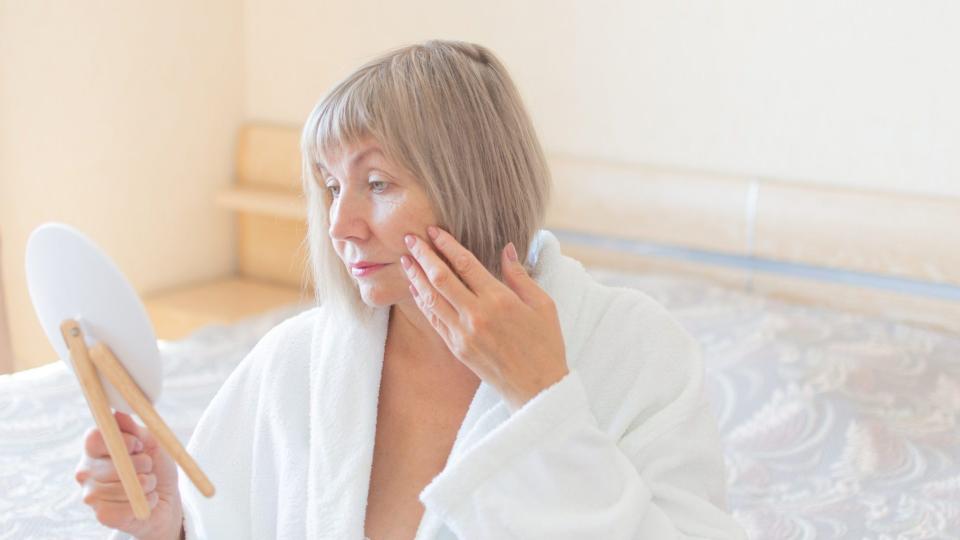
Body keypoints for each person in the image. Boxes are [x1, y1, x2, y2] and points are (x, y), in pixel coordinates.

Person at [75, 40, 746, 539]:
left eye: (378, 184)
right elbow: (229, 520)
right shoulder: (297, 362)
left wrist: (543, 398)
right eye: (332, 187)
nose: (340, 225)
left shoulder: (635, 349)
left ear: (475, 186)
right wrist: (171, 526)